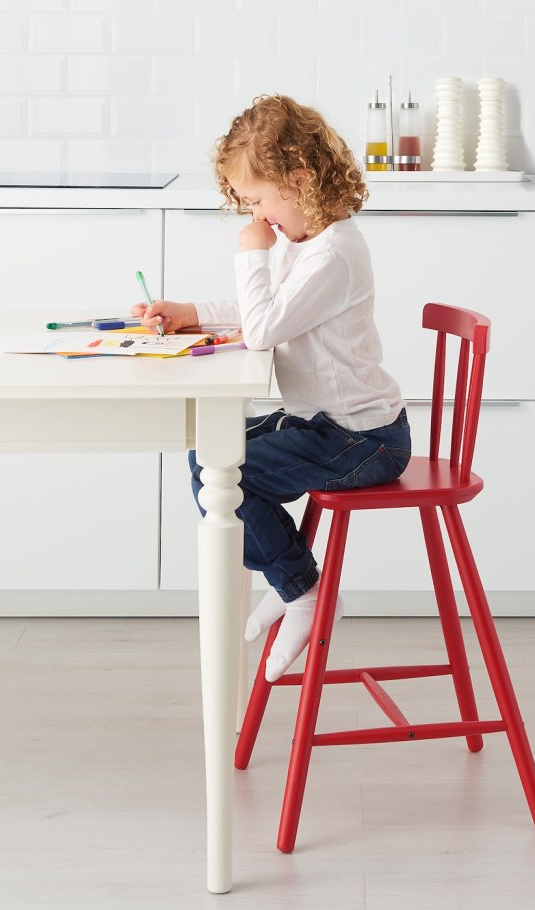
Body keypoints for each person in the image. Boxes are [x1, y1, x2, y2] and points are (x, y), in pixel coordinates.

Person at [132, 95, 410, 682]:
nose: (256, 215)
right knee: (209, 456)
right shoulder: (306, 244)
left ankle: (303, 591)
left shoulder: (334, 254)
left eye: (259, 200)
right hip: (323, 425)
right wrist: (191, 312)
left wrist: (251, 255)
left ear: (299, 179)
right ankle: (292, 582)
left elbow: (262, 328)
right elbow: (267, 312)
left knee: (228, 474)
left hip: (362, 440)